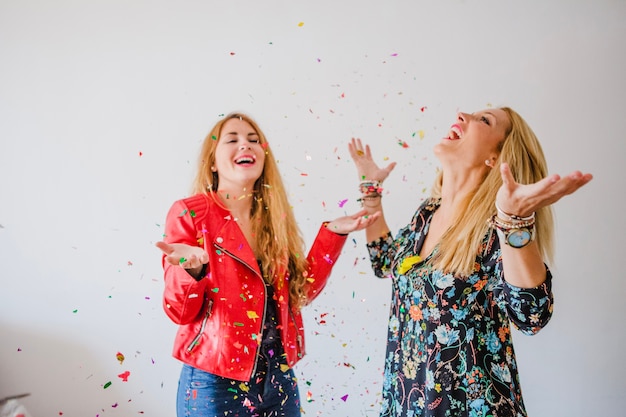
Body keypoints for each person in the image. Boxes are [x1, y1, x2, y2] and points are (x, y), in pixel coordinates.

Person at [348, 107, 592, 417]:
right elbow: (385, 261)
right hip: (407, 404)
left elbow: (531, 315)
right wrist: (371, 191)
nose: (463, 114)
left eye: (484, 120)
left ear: (496, 157)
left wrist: (513, 221)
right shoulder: (427, 213)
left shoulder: (494, 229)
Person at [156, 112, 379, 417]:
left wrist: (333, 234)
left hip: (279, 379)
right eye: (232, 139)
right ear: (212, 161)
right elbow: (179, 312)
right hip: (214, 381)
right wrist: (190, 271)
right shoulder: (191, 213)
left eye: (253, 140)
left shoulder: (274, 219)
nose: (245, 145)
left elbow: (300, 292)